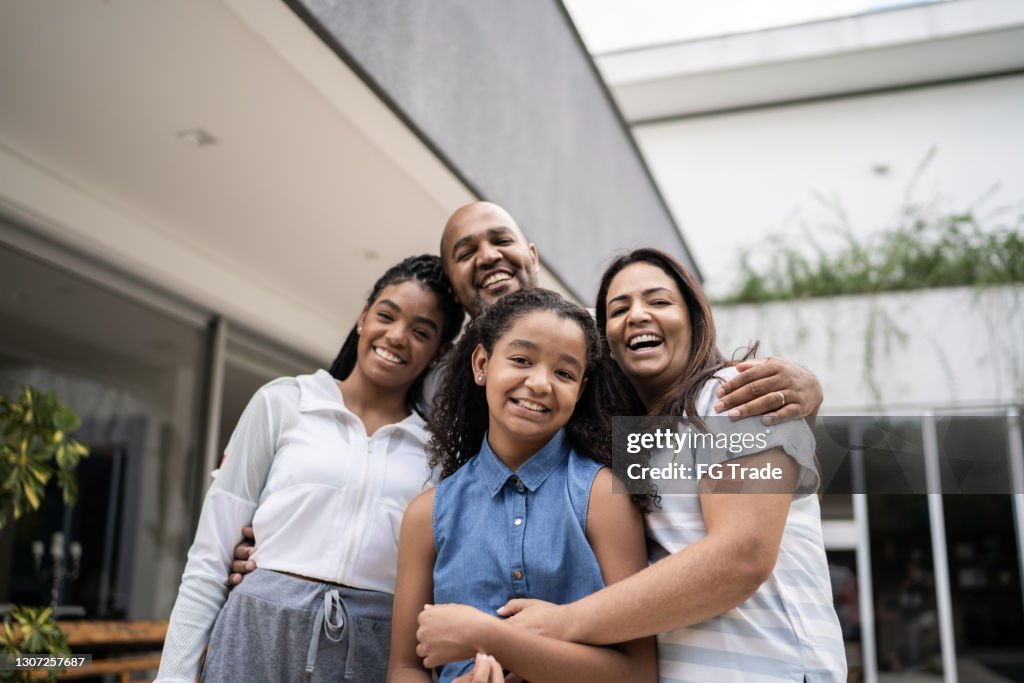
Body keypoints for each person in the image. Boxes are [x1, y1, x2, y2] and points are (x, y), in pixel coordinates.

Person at [228, 202, 826, 584]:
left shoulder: (600, 349)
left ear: (530, 255)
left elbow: (699, 440)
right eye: (466, 252)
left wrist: (808, 395)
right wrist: (287, 540)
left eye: (501, 239)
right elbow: (381, 462)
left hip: (600, 594)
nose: (488, 256)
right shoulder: (436, 385)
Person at [418, 248, 846, 682]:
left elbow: (744, 554)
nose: (637, 315)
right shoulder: (625, 441)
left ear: (695, 318)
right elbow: (537, 332)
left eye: (659, 301)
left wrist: (552, 625)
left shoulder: (731, 395)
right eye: (619, 309)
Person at [154, 255, 463, 683]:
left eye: (421, 332)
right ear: (362, 317)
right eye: (386, 315)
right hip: (254, 636)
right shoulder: (282, 403)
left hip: (368, 653)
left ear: (439, 353)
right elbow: (209, 559)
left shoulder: (436, 454)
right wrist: (173, 677)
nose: (396, 336)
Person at [389, 289, 657, 683]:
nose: (540, 383)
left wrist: (492, 638)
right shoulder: (427, 513)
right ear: (482, 364)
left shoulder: (602, 495)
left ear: (580, 390)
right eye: (521, 360)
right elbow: (404, 667)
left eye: (564, 373)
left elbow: (638, 673)